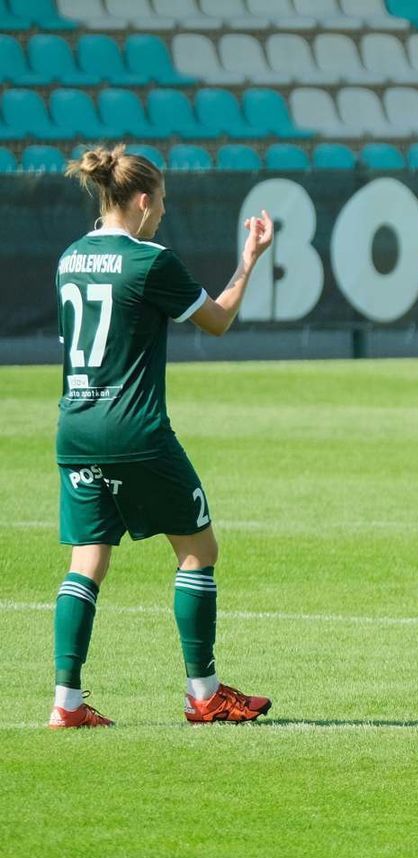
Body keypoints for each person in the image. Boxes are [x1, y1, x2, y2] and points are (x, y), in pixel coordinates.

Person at [49, 144, 275, 729]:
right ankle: (204, 693)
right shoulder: (149, 261)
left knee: (88, 560)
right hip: (135, 431)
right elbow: (218, 320)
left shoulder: (70, 258)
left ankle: (66, 704)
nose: (164, 214)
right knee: (199, 550)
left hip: (75, 427)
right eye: (163, 204)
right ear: (144, 201)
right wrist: (247, 262)